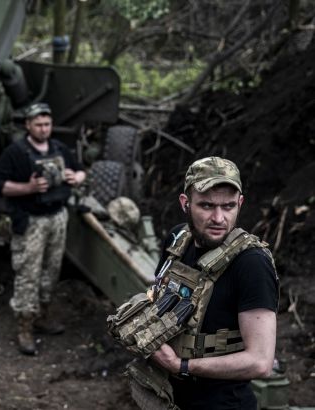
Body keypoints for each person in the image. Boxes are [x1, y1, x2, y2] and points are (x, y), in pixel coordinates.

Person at [110, 156, 278, 410]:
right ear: (185, 203)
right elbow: (159, 299)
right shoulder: (179, 239)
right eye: (207, 206)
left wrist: (182, 366)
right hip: (163, 393)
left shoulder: (251, 264)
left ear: (240, 203)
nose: (219, 218)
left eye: (229, 206)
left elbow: (260, 362)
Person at [0, 102, 86, 355]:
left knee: (51, 271)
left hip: (57, 218)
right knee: (27, 274)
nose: (44, 129)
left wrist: (75, 178)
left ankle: (42, 316)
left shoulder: (59, 148)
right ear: (28, 125)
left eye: (47, 124)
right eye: (39, 124)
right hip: (30, 220)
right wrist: (28, 188)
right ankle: (25, 327)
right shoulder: (16, 152)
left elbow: (80, 171)